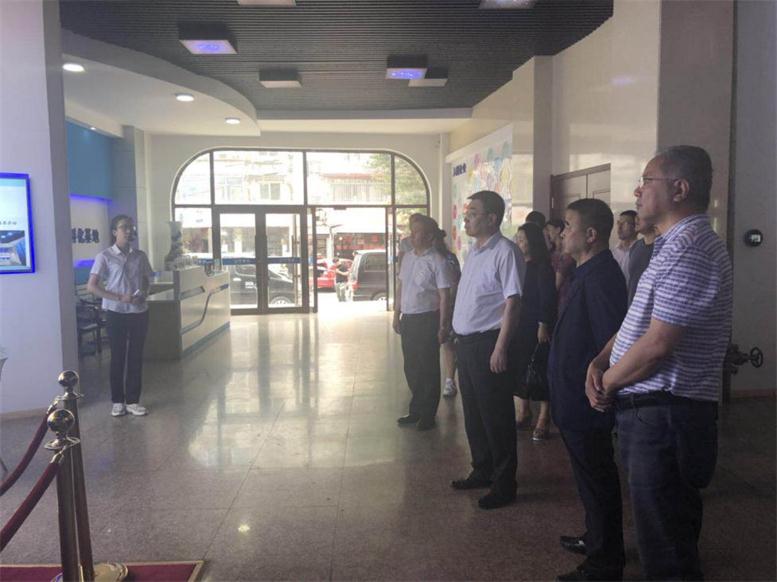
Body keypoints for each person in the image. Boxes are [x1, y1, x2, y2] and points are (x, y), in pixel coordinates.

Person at [586, 146, 733, 581]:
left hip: (668, 413)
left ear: (680, 189)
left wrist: (607, 382)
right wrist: (600, 360)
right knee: (660, 529)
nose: (637, 192)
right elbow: (639, 323)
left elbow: (658, 345)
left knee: (666, 545)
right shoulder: (669, 246)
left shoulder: (691, 248)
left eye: (646, 181)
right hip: (654, 412)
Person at [549, 199, 627, 582]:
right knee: (588, 480)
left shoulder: (601, 277)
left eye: (568, 226)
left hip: (587, 401)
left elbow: (612, 341)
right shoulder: (584, 271)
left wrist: (599, 389)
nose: (562, 233)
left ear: (591, 234)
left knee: (597, 481)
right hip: (571, 397)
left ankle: (605, 562)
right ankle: (596, 538)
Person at [450, 190, 522, 510]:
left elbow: (513, 302)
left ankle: (504, 483)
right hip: (465, 344)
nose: (466, 219)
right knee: (474, 414)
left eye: (473, 213)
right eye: (467, 213)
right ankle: (482, 469)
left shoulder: (505, 251)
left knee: (496, 416)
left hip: (488, 343)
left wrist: (501, 347)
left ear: (492, 218)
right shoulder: (475, 252)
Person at [87, 215, 153, 417]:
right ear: (115, 231)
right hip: (116, 312)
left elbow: (147, 279)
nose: (129, 231)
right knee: (117, 356)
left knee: (135, 357)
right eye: (124, 227)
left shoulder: (140, 256)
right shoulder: (105, 256)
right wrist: (118, 297)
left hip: (139, 312)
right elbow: (92, 286)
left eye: (131, 227)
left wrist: (144, 293)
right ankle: (117, 401)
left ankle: (133, 401)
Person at [393, 216, 453, 431]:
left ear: (428, 236)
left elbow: (444, 296)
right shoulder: (408, 258)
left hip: (428, 319)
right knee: (411, 366)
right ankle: (416, 409)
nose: (412, 235)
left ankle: (428, 413)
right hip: (408, 318)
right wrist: (396, 314)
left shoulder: (438, 260)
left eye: (417, 231)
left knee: (428, 368)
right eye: (412, 230)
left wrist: (443, 325)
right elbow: (401, 288)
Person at [512, 222, 556, 441]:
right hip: (519, 324)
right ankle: (524, 410)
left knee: (539, 368)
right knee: (521, 366)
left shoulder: (542, 266)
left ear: (532, 242)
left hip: (537, 325)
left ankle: (544, 417)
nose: (518, 242)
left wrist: (543, 323)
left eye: (522, 239)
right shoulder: (518, 264)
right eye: (517, 238)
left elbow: (547, 297)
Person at [432, 229, 461, 398]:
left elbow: (455, 283)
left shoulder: (449, 259)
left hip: (449, 306)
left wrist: (449, 303)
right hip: (430, 308)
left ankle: (450, 379)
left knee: (448, 344)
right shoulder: (425, 258)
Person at [544, 218, 576, 309]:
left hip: (563, 297)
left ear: (558, 230)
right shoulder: (551, 252)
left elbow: (557, 283)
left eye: (549, 230)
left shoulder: (567, 254)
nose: (547, 233)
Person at [626, 215, 657, 305]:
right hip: (633, 306)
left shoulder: (663, 247)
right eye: (636, 215)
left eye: (641, 214)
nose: (636, 218)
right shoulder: (636, 246)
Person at [611, 210, 637, 285]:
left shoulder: (640, 252)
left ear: (636, 226)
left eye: (625, 223)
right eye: (618, 223)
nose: (619, 227)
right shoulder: (612, 252)